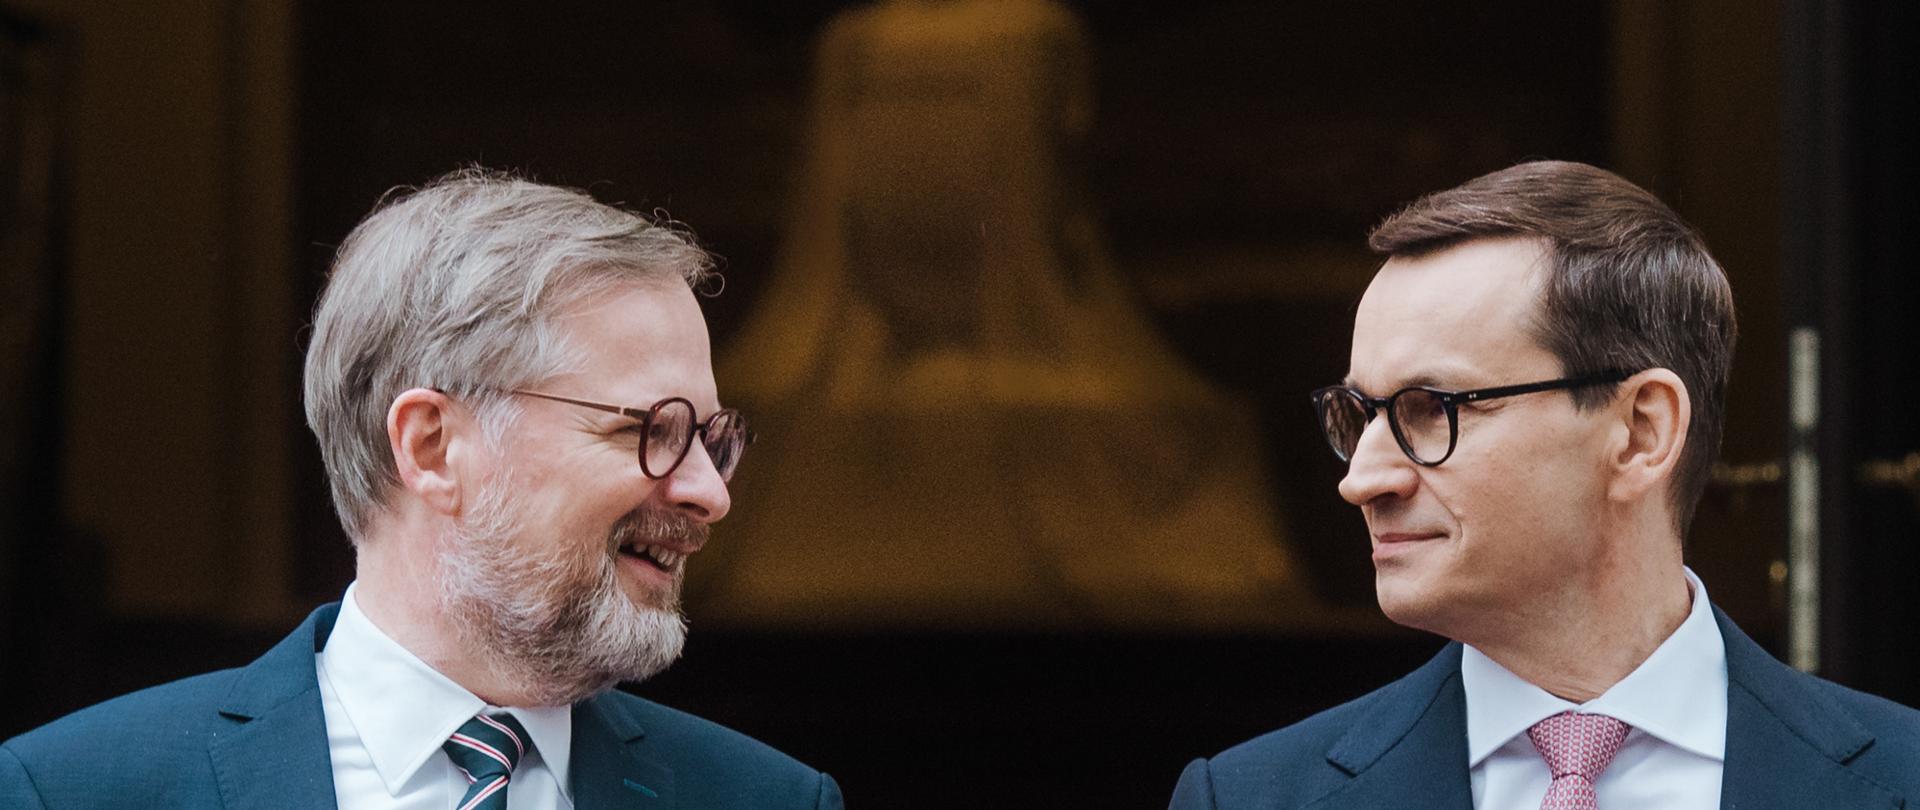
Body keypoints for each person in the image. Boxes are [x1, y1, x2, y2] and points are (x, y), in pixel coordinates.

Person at [1, 170, 845, 809]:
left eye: (712, 439)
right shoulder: (69, 789)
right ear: (432, 447)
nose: (709, 492)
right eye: (652, 431)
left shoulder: (767, 798)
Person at [1168, 161, 1920, 809]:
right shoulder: (1251, 797)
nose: (1363, 478)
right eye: (1357, 414)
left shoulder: (1901, 779)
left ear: (1640, 432)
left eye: (1430, 409)